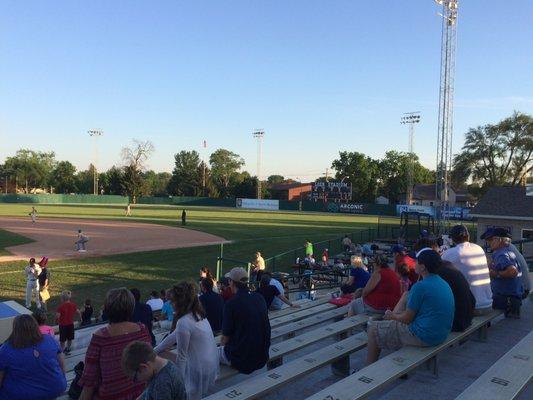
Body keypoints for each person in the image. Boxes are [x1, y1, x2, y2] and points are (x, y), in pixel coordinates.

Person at [366, 249, 454, 365]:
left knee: (373, 329)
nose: (414, 264)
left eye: (417, 262)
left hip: (425, 336)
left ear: (423, 267)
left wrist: (393, 316)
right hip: (441, 334)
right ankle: (389, 324)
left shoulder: (420, 286)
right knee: (405, 297)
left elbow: (407, 319)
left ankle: (368, 370)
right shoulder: (443, 283)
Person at [79, 287, 152, 400]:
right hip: (141, 393)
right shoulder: (142, 330)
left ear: (108, 309)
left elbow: (89, 382)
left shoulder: (100, 337)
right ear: (131, 308)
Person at [154, 282, 219, 400]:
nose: (170, 303)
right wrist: (154, 350)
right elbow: (173, 336)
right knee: (160, 352)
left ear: (180, 302)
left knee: (162, 357)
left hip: (200, 369)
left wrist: (178, 384)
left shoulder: (184, 321)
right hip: (209, 365)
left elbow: (182, 357)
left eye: (172, 301)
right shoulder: (197, 314)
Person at [0, 314, 66, 400]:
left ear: (15, 329)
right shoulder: (49, 339)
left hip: (23, 395)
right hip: (55, 388)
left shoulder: (6, 349)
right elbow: (62, 367)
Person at [219, 267, 271, 374]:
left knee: (210, 352)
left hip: (242, 362)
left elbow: (225, 338)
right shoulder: (259, 297)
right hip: (262, 357)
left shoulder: (231, 304)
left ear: (231, 282)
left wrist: (221, 348)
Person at [442, 225, 493, 315]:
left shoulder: (450, 253)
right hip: (488, 304)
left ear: (453, 239)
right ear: (468, 236)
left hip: (471, 308)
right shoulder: (479, 248)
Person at [122, 341, 187, 400]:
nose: (136, 381)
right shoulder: (163, 365)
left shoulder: (162, 384)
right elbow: (149, 389)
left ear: (144, 367)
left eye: (135, 378)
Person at [482, 228, 523, 318]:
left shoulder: (501, 254)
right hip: (513, 300)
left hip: (506, 300)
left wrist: (496, 274)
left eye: (491, 240)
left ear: (499, 240)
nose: (488, 243)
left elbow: (513, 272)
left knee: (481, 306)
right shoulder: (509, 252)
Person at [56, 290, 81, 355]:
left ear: (62, 298)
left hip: (63, 325)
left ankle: (62, 350)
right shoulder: (73, 305)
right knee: (70, 338)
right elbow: (78, 312)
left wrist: (56, 321)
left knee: (62, 340)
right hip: (70, 324)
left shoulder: (60, 307)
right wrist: (80, 318)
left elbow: (57, 316)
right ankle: (68, 348)